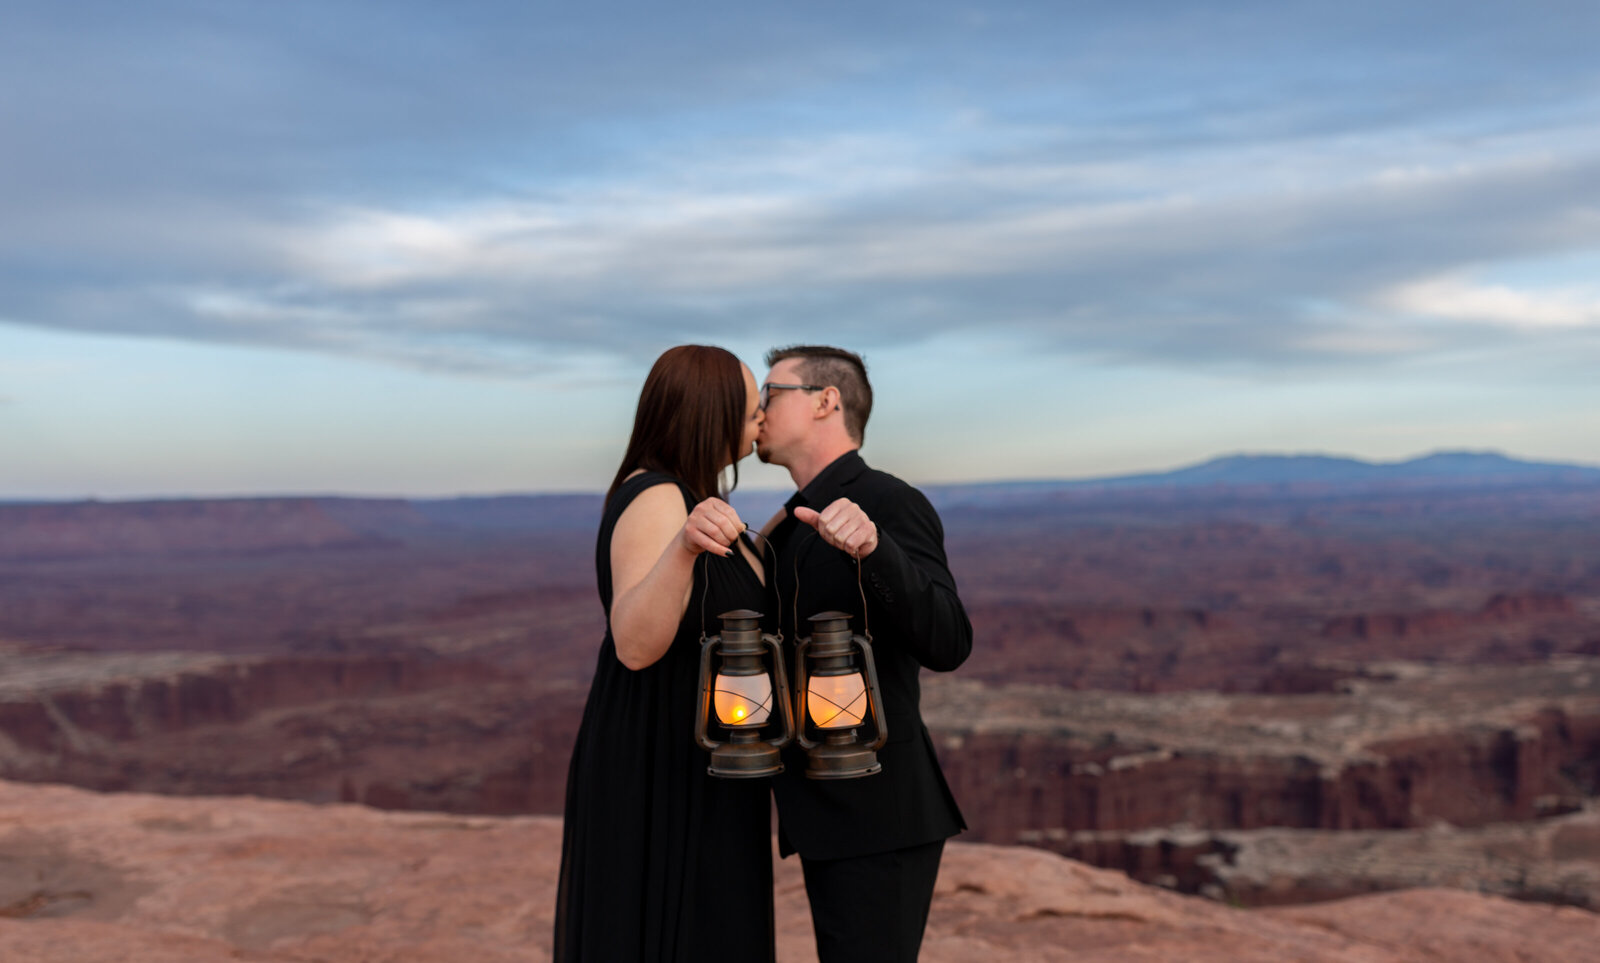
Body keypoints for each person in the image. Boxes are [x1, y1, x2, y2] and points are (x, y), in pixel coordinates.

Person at [554, 344, 775, 962]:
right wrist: (682, 549)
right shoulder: (657, 496)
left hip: (708, 758)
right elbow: (635, 643)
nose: (760, 417)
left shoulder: (695, 498)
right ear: (710, 410)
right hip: (662, 758)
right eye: (750, 405)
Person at [756, 345, 972, 962]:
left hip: (880, 814)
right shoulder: (788, 525)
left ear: (826, 401)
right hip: (831, 812)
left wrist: (876, 551)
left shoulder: (885, 500)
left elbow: (950, 640)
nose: (758, 409)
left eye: (772, 393)